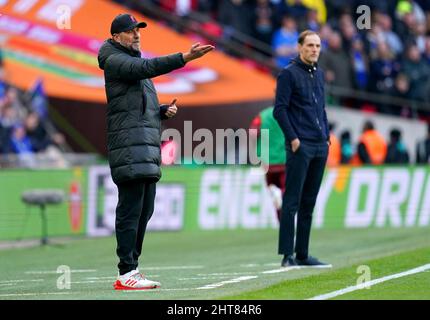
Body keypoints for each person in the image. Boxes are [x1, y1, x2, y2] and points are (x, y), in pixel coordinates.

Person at [97, 13, 214, 290]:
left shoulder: (131, 61)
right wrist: (184, 57)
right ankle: (126, 270)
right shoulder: (114, 60)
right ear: (116, 37)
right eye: (130, 31)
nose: (136, 35)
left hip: (144, 145)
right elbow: (146, 68)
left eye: (138, 30)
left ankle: (132, 269)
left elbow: (137, 106)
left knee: (144, 210)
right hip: (129, 147)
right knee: (130, 210)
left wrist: (161, 112)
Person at [273, 30, 330, 267]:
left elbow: (321, 109)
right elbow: (280, 110)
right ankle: (288, 255)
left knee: (309, 202)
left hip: (320, 145)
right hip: (301, 145)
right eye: (310, 45)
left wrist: (327, 136)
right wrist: (294, 139)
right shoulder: (288, 74)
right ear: (299, 47)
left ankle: (303, 254)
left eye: (317, 45)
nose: (315, 49)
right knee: (292, 201)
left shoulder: (318, 74)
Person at [250, 106, 286, 221]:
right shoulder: (287, 113)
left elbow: (252, 132)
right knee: (287, 191)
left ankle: (282, 226)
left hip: (266, 161)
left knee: (273, 190)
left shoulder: (263, 115)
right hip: (283, 159)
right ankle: (287, 226)